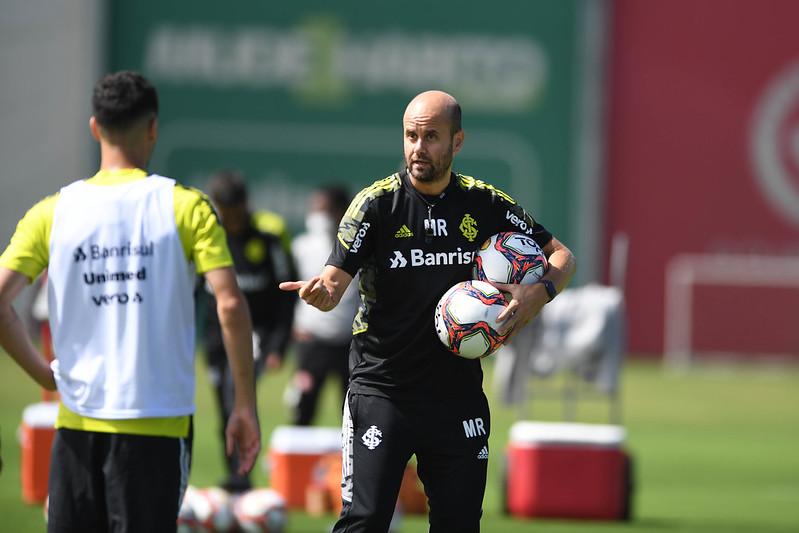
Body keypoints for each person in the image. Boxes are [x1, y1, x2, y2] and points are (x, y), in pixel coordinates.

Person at [281, 90, 576, 533]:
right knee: (365, 521)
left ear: (457, 142)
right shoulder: (375, 205)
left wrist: (540, 292)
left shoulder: (485, 203)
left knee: (458, 526)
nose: (419, 148)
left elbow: (562, 256)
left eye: (431, 137)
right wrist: (323, 291)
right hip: (382, 390)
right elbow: (335, 277)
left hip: (456, 395)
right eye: (411, 136)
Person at [0, 71, 261, 532]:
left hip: (77, 424)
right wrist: (244, 403)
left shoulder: (52, 211)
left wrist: (42, 372)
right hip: (157, 428)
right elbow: (231, 305)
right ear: (154, 128)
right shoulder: (187, 207)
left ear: (95, 127)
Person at [203, 171, 296, 492]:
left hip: (255, 337)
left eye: (234, 210)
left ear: (245, 205)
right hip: (216, 341)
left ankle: (240, 475)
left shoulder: (268, 238)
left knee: (236, 397)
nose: (230, 218)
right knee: (222, 406)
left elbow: (286, 297)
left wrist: (277, 346)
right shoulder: (210, 237)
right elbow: (198, 292)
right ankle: (235, 472)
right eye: (223, 211)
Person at [287, 185, 358, 426]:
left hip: (349, 342)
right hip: (311, 340)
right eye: (316, 210)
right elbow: (288, 292)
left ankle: (348, 463)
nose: (318, 217)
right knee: (302, 408)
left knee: (352, 412)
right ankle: (298, 462)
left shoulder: (359, 248)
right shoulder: (302, 247)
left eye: (325, 210)